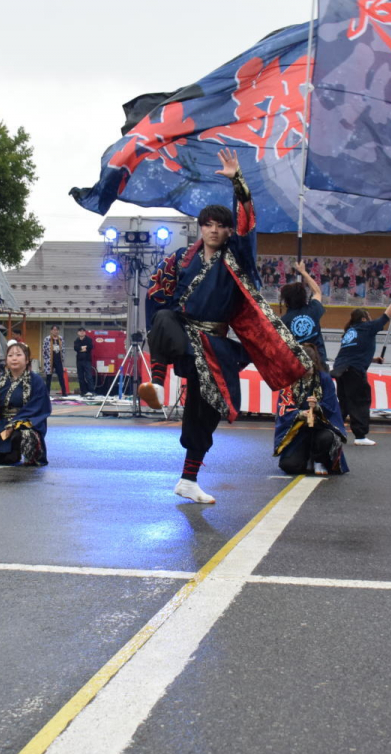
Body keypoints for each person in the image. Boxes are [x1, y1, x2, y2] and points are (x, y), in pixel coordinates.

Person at [137, 148, 310, 503]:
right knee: (163, 316)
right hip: (182, 337)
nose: (214, 230)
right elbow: (156, 293)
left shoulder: (238, 258)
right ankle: (155, 382)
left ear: (229, 230)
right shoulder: (180, 259)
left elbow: (248, 225)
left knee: (206, 410)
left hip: (214, 346)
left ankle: (188, 479)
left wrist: (238, 182)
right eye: (208, 225)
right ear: (200, 228)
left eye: (221, 226)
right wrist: (163, 322)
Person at [331, 289, 391, 446]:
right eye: (369, 317)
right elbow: (387, 315)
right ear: (364, 319)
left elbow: (354, 353)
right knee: (360, 401)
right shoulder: (367, 327)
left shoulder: (350, 332)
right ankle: (360, 436)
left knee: (343, 403)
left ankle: (334, 432)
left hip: (341, 369)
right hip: (354, 371)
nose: (371, 320)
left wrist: (374, 360)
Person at [0, 341, 51, 466]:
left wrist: (15, 424)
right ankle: (9, 455)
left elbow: (39, 407)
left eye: (18, 355)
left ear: (27, 359)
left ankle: (17, 452)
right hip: (1, 425)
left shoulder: (36, 381)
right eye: (10, 355)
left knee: (20, 435)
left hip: (23, 424)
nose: (14, 358)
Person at [273, 343, 349, 475]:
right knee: (289, 466)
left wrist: (317, 409)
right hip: (299, 430)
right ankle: (306, 457)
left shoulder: (325, 379)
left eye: (307, 364)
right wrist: (300, 414)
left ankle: (319, 459)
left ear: (314, 362)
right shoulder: (290, 381)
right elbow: (283, 407)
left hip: (321, 428)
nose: (305, 368)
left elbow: (332, 407)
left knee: (326, 438)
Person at [280, 259, 328, 363]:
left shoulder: (283, 322)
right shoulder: (313, 309)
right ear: (304, 296)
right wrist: (303, 272)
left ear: (286, 300)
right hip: (319, 362)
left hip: (298, 366)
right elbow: (317, 292)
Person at [42, 325, 68, 396]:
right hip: (50, 360)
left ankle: (64, 392)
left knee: (61, 376)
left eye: (56, 330)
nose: (55, 331)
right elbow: (44, 350)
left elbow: (63, 350)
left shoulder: (61, 339)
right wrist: (46, 359)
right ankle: (47, 392)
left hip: (58, 359)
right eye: (54, 330)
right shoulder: (47, 339)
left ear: (58, 331)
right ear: (51, 331)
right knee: (49, 377)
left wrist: (62, 358)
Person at [73, 327, 95, 395]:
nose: (82, 332)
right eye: (80, 331)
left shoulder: (88, 340)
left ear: (85, 332)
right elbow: (76, 348)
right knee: (80, 377)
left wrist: (81, 348)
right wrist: (82, 348)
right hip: (79, 361)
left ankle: (91, 391)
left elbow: (90, 347)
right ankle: (83, 391)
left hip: (87, 360)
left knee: (89, 376)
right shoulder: (76, 340)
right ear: (78, 333)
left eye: (83, 331)